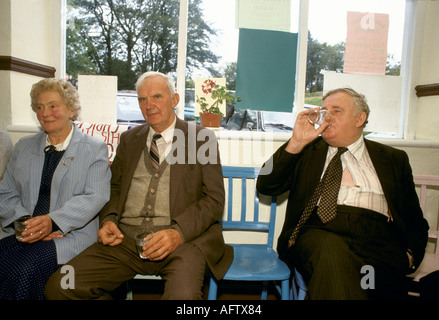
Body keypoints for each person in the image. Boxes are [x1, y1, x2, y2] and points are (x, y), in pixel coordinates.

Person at [45, 71, 233, 300]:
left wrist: (178, 233)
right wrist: (109, 220)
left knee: (183, 297)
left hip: (182, 244)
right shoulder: (129, 139)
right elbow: (112, 188)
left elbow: (214, 199)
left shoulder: (200, 138)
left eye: (157, 97)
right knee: (60, 285)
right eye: (142, 99)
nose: (149, 105)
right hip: (124, 243)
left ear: (174, 100)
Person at [257, 87, 429, 299]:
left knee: (356, 279)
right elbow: (266, 185)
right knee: (330, 252)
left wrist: (411, 258)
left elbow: (414, 218)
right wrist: (296, 143)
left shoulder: (393, 158)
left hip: (377, 242)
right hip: (318, 233)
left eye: (336, 111)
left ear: (360, 119)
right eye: (324, 111)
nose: (326, 116)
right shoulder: (306, 150)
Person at [0, 78, 111, 300]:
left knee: (24, 271)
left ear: (71, 110)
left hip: (69, 235)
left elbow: (95, 196)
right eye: (39, 107)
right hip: (24, 231)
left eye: (53, 105)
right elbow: (6, 193)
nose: (45, 112)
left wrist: (53, 221)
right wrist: (25, 221)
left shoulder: (94, 148)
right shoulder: (23, 146)